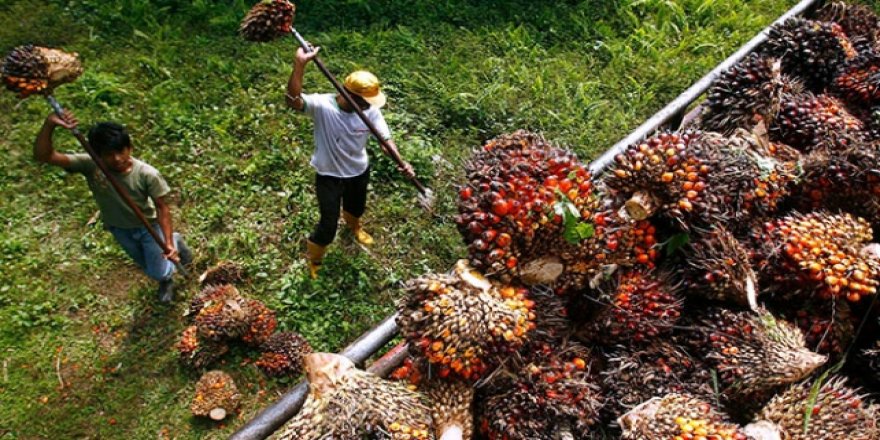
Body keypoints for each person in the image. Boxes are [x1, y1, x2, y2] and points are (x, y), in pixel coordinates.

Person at [33, 110, 192, 303]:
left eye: (120, 152)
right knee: (145, 264)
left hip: (149, 227)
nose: (116, 159)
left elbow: (162, 208)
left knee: (156, 270)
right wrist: (50, 124)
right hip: (119, 228)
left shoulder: (147, 174)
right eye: (108, 154)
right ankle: (166, 277)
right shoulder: (91, 165)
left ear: (129, 148)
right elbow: (44, 156)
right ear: (97, 155)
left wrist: (167, 242)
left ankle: (173, 249)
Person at [287, 45, 415, 279]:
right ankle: (315, 259)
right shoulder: (323, 106)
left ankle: (355, 227)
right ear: (349, 96)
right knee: (327, 223)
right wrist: (299, 65)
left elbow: (385, 140)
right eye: (366, 101)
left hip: (358, 171)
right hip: (329, 175)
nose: (371, 105)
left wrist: (401, 161)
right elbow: (292, 100)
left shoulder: (370, 111)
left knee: (356, 207)